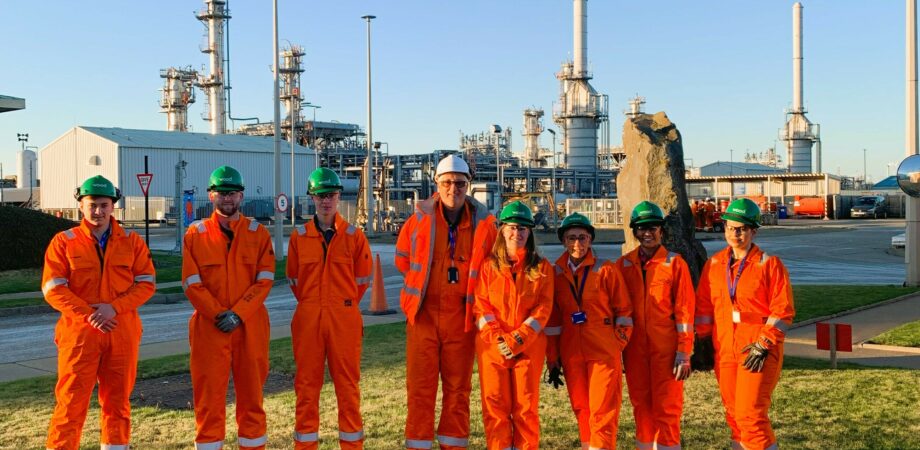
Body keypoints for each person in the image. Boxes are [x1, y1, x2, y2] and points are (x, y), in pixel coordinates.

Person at [43, 175, 156, 450]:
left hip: (121, 331)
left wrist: (113, 308)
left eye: (104, 205)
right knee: (70, 403)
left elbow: (146, 283)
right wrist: (89, 314)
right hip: (80, 335)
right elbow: (53, 288)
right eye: (92, 204)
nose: (98, 211)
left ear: (113, 206)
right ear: (80, 205)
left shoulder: (132, 241)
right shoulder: (64, 242)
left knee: (117, 403)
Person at [395, 154, 492, 449]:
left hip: (461, 319)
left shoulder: (485, 224)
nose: (453, 189)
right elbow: (402, 260)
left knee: (458, 392)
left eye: (460, 183)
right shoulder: (418, 221)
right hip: (423, 317)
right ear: (437, 184)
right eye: (447, 182)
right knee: (420, 391)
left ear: (469, 185)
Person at [182, 165, 276, 449]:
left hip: (250, 326)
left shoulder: (258, 234)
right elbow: (191, 282)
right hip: (210, 328)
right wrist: (218, 313)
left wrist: (238, 313)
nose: (227, 198)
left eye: (232, 193)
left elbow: (265, 280)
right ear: (211, 195)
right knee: (208, 402)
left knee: (252, 400)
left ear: (241, 196)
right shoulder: (195, 235)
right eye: (221, 192)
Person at [695, 198, 794, 450]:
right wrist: (703, 340)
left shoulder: (769, 265)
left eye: (741, 229)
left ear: (753, 231)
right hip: (724, 350)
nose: (734, 234)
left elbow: (782, 311)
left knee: (751, 416)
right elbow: (704, 308)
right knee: (733, 414)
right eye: (730, 228)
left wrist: (763, 344)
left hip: (756, 351)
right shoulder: (714, 265)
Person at [287, 167, 372, 449]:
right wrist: (314, 303)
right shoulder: (299, 237)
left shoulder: (354, 236)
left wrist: (341, 303)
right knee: (306, 389)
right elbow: (294, 279)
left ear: (338, 197)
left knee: (348, 389)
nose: (326, 201)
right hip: (308, 318)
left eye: (331, 195)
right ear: (312, 197)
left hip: (343, 318)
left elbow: (362, 280)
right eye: (320, 195)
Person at [545, 212, 633, 450]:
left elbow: (624, 312)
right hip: (572, 353)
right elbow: (552, 321)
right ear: (563, 241)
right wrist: (552, 359)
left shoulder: (606, 270)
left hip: (603, 353)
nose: (577, 244)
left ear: (591, 239)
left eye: (582, 238)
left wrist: (616, 344)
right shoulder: (555, 274)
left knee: (602, 410)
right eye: (571, 238)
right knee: (581, 408)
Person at [473, 201, 554, 450]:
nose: (516, 233)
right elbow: (481, 307)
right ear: (502, 230)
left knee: (525, 409)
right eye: (511, 227)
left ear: (530, 232)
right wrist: (499, 339)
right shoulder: (488, 267)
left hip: (528, 348)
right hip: (493, 349)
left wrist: (518, 339)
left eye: (522, 228)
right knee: (495, 408)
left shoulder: (542, 268)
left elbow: (543, 309)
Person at [617, 201, 696, 450]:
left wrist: (684, 353)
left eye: (652, 227)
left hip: (667, 352)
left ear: (661, 230)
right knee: (641, 407)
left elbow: (685, 312)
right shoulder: (623, 265)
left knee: (667, 408)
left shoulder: (675, 264)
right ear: (634, 231)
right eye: (642, 228)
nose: (647, 233)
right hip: (634, 351)